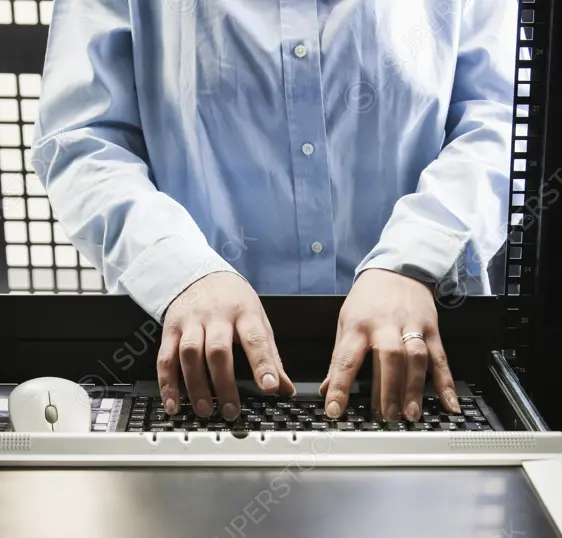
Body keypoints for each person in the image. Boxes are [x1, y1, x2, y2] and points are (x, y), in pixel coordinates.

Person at [32, 0, 515, 424]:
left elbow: (500, 121)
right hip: (203, 372)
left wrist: (412, 261)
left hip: (417, 360)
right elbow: (84, 142)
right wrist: (181, 271)